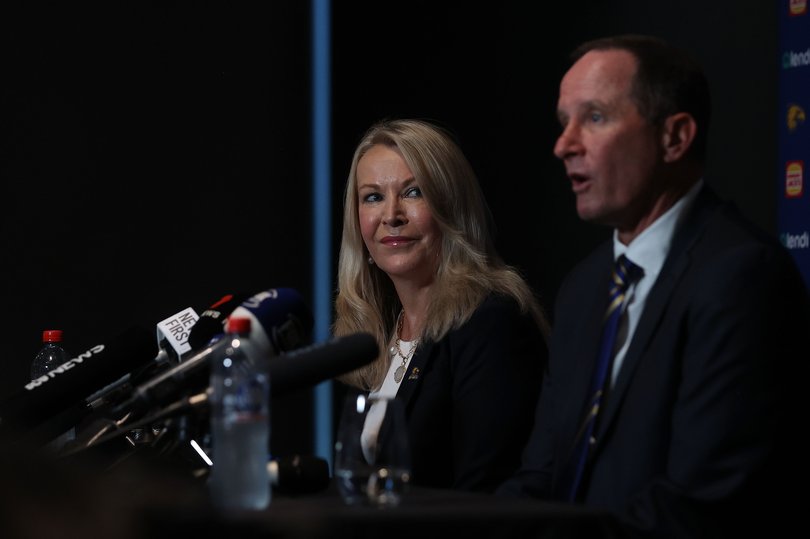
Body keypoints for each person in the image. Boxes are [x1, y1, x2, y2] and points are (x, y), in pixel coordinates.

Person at [497, 34, 810, 537]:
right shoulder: (583, 288)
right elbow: (542, 476)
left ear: (675, 137)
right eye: (564, 122)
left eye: (594, 117)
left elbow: (703, 504)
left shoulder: (742, 276)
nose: (563, 144)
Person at [332, 118, 550, 493]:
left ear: (452, 207)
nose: (391, 215)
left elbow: (484, 496)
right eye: (373, 197)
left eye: (413, 192)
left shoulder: (492, 323)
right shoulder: (377, 336)